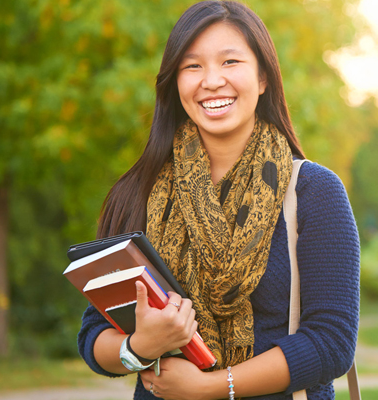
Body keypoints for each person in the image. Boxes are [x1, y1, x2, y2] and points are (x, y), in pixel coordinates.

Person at [77, 2, 360, 399]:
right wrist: (140, 346)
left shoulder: (314, 192)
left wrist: (212, 387)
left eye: (230, 62)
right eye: (192, 66)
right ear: (175, 82)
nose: (211, 81)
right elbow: (94, 333)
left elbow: (332, 343)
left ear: (263, 77)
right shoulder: (138, 191)